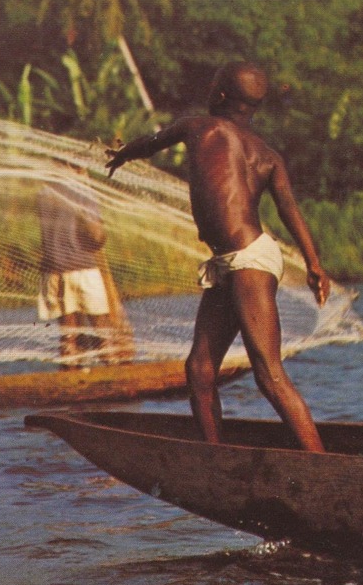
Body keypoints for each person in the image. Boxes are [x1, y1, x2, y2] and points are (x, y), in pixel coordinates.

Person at [105, 61, 330, 452]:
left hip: (249, 259)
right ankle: (216, 457)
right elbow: (290, 209)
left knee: (268, 374)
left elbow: (151, 142)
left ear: (221, 95)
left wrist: (123, 154)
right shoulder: (267, 153)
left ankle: (323, 464)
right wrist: (312, 262)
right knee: (200, 370)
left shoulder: (199, 127)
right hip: (234, 261)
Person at [35, 175, 132, 367]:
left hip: (53, 271)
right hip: (83, 268)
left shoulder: (43, 194)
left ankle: (70, 379)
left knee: (68, 336)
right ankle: (114, 379)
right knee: (102, 335)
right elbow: (96, 236)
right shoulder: (83, 192)